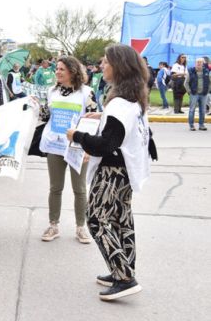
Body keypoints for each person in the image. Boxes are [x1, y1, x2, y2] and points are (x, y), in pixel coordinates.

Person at [67, 44, 155, 301]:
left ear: (119, 67)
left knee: (96, 220)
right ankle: (121, 270)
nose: (102, 65)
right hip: (126, 170)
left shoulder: (119, 104)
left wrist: (78, 135)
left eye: (106, 61)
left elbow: (106, 145)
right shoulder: (133, 101)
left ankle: (125, 277)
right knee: (120, 221)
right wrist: (103, 116)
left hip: (112, 172)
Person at [37, 56, 97, 244]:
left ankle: (81, 227)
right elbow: (46, 115)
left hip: (77, 147)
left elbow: (93, 120)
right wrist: (36, 105)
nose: (57, 72)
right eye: (57, 69)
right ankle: (53, 225)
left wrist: (89, 148)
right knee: (55, 188)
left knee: (79, 189)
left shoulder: (87, 92)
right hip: (54, 146)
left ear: (72, 71)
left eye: (62, 69)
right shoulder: (51, 91)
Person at [185, 57, 210, 131]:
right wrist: (189, 91)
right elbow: (186, 83)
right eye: (197, 62)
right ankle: (191, 125)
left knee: (202, 110)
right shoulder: (191, 71)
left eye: (200, 62)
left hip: (204, 94)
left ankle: (201, 125)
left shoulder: (206, 71)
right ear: (195, 63)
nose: (199, 63)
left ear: (203, 63)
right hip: (194, 94)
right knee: (192, 110)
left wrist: (207, 90)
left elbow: (209, 82)